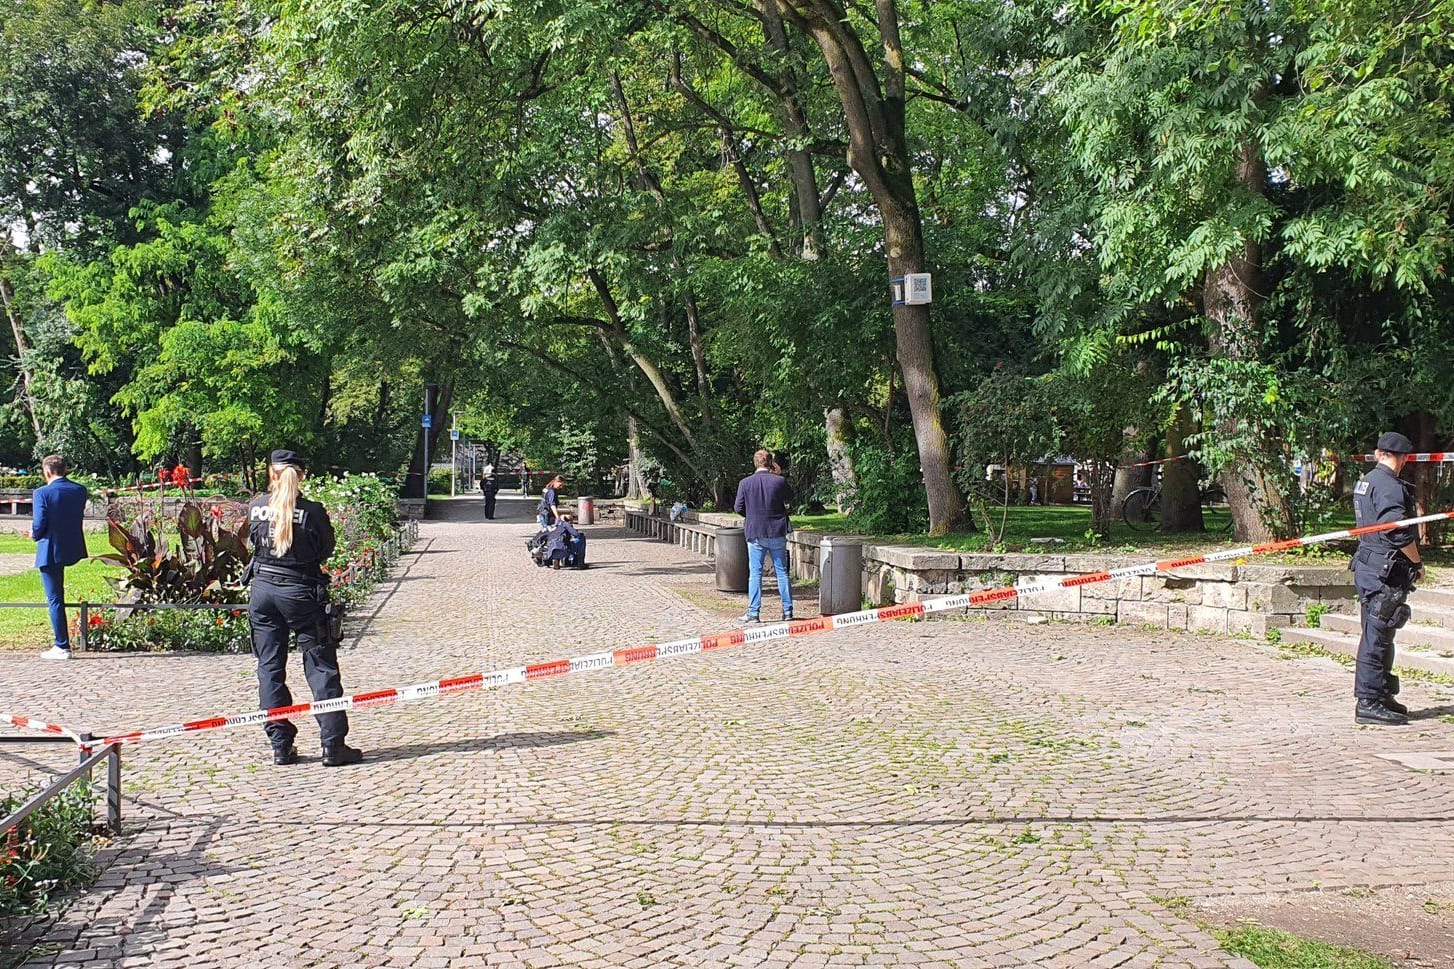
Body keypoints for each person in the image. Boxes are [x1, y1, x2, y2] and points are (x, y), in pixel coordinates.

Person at [245, 450, 363, 766]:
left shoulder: (256, 508)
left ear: (272, 474)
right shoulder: (311, 512)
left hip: (262, 591)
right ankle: (332, 745)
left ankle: (280, 746)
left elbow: (252, 544)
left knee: (269, 668)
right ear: (302, 476)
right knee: (320, 666)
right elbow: (326, 549)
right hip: (301, 594)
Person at [1349, 431, 1423, 726]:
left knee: (1380, 632)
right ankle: (1368, 701)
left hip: (1370, 565)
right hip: (1383, 569)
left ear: (1379, 453)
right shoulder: (1390, 486)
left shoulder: (1367, 481)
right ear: (1403, 458)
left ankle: (1380, 694)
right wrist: (1416, 562)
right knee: (1377, 636)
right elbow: (1396, 530)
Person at [27, 455, 89, 660]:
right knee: (56, 596)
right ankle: (62, 644)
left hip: (50, 549)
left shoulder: (41, 493)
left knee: (55, 598)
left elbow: (39, 523)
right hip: (72, 546)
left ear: (47, 471)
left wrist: (34, 535)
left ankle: (62, 645)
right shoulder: (79, 490)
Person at [733, 449, 793, 623]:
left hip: (755, 531)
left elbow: (738, 507)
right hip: (777, 531)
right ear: (771, 463)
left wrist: (752, 516)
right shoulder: (779, 481)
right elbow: (791, 496)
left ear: (755, 463)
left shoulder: (745, 483)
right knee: (782, 572)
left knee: (756, 573)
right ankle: (788, 611)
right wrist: (779, 474)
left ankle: (753, 613)